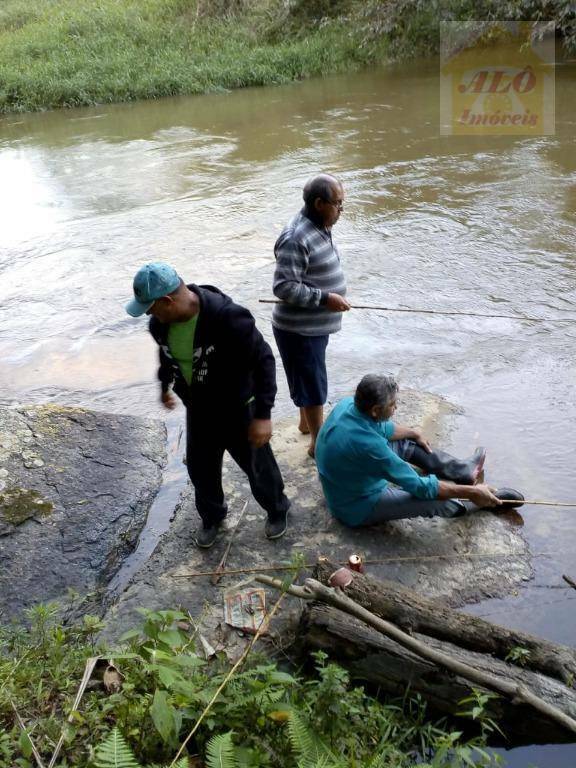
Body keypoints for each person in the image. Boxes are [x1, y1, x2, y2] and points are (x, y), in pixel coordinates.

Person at [125, 262, 290, 548]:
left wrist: (263, 415)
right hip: (199, 408)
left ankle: (277, 509)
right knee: (200, 469)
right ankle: (212, 516)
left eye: (152, 308)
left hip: (238, 408)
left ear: (167, 301)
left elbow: (264, 361)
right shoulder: (159, 325)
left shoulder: (228, 318)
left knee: (258, 466)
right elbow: (167, 357)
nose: (150, 315)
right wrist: (164, 386)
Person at [315, 374, 524, 527]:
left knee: (408, 442)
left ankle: (463, 471)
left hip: (347, 477)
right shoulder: (370, 447)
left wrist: (414, 432)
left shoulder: (349, 405)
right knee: (433, 500)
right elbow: (419, 486)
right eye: (393, 404)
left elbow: (384, 428)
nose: (396, 408)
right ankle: (476, 501)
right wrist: (471, 492)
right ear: (376, 410)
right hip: (356, 505)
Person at [272, 173, 350, 458]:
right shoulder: (296, 237)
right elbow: (283, 287)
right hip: (300, 329)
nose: (341, 210)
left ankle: (306, 423)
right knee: (313, 382)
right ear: (319, 203)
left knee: (306, 377)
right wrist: (326, 297)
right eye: (337, 204)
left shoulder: (320, 224)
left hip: (314, 326)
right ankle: (319, 444)